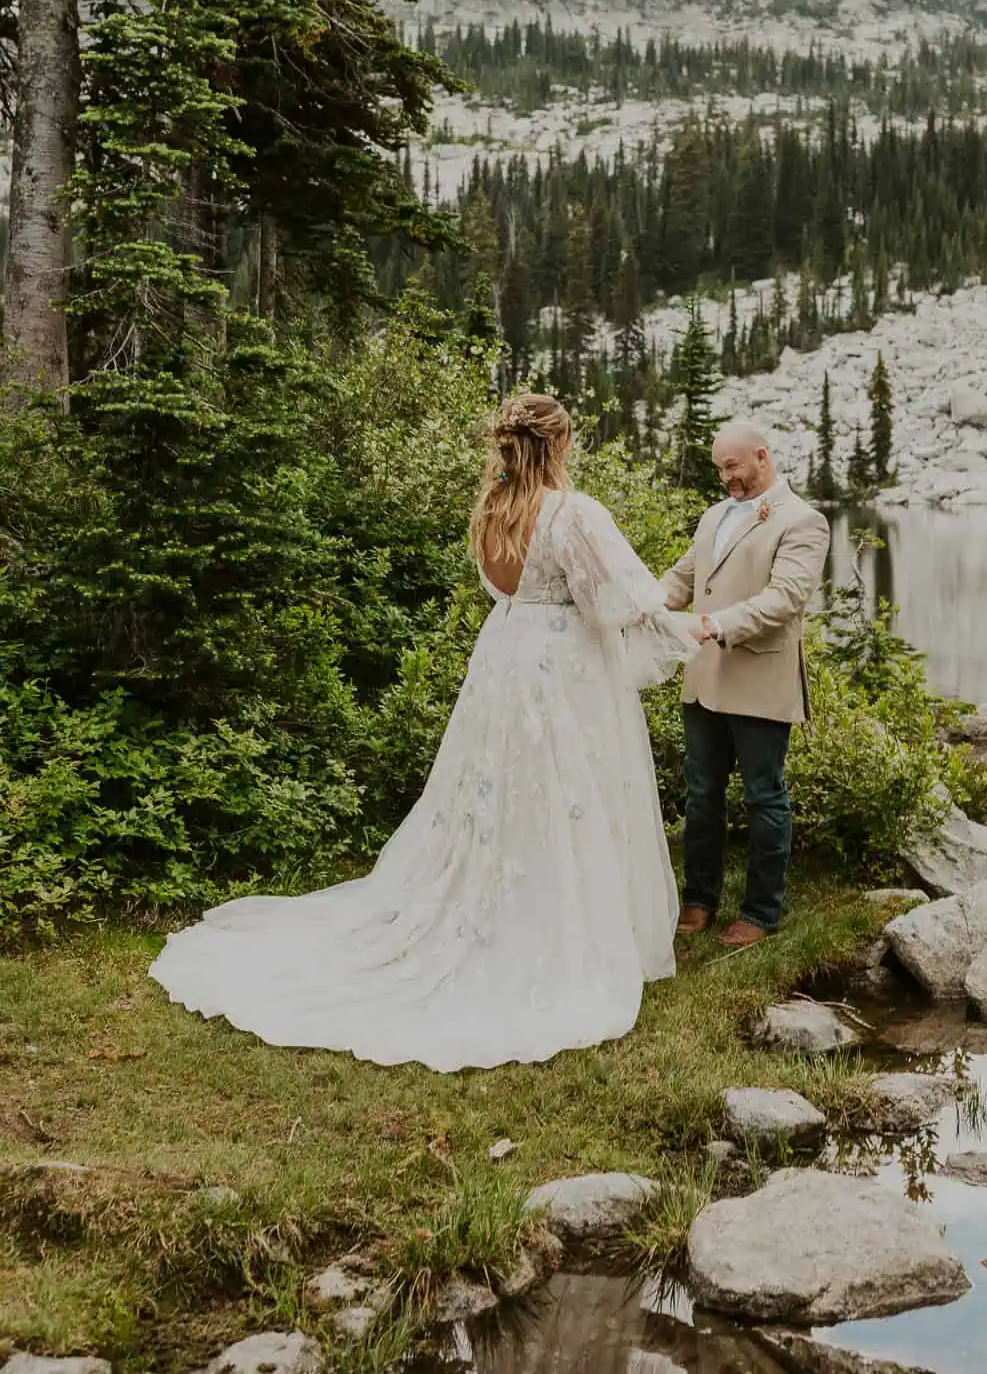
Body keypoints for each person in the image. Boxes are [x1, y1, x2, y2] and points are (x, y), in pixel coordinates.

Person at [150, 395, 697, 1072]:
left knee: (502, 794)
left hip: (503, 659)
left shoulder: (491, 510)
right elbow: (614, 600)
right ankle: (560, 931)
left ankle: (495, 908)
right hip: (559, 670)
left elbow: (510, 592)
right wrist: (691, 626)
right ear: (560, 444)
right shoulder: (572, 512)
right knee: (565, 790)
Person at [660, 422, 830, 947]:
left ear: (761, 457)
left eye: (732, 467)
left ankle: (761, 912)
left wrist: (717, 624)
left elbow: (785, 599)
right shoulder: (714, 516)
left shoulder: (803, 520)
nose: (725, 478)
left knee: (764, 796)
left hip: (759, 678)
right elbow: (683, 579)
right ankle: (699, 899)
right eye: (719, 469)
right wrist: (640, 602)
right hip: (704, 678)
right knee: (703, 795)